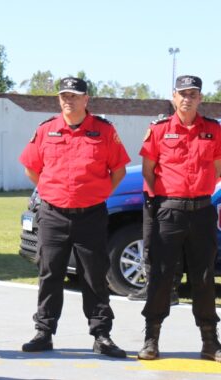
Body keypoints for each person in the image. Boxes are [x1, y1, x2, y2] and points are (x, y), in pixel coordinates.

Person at [18, 77, 128, 358]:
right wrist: (49, 189)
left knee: (94, 277)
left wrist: (98, 194)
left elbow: (118, 171)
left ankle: (101, 334)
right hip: (53, 214)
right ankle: (44, 332)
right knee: (50, 274)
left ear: (85, 99)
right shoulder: (46, 130)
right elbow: (32, 168)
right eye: (64, 96)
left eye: (74, 96)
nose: (69, 100)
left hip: (90, 215)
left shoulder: (104, 131)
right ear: (59, 100)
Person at [137, 75, 221, 362]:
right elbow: (149, 170)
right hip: (168, 211)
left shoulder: (213, 130)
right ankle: (151, 339)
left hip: (202, 211)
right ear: (174, 97)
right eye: (182, 93)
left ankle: (210, 341)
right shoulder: (159, 130)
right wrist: (162, 200)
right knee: (160, 276)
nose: (187, 98)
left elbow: (218, 168)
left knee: (204, 277)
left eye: (193, 94)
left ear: (200, 98)